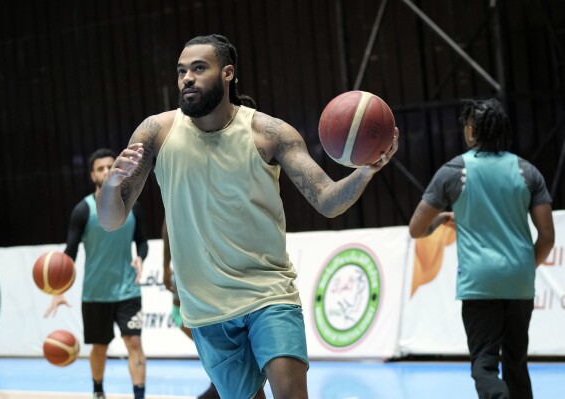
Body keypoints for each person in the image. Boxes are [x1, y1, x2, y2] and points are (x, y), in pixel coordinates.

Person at [96, 34, 398, 399]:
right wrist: (112, 186)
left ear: (228, 73)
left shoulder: (270, 133)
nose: (186, 78)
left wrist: (366, 171)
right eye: (181, 71)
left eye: (198, 68)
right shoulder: (156, 132)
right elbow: (111, 221)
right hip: (206, 309)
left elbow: (327, 200)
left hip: (268, 294)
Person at [408, 98, 555, 399]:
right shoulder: (527, 172)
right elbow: (548, 236)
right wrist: (525, 266)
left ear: (472, 130)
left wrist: (444, 218)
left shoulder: (454, 171)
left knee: (484, 367)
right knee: (517, 363)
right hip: (519, 281)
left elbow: (416, 228)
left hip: (480, 284)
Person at [45, 148, 149, 399]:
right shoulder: (83, 210)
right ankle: (98, 392)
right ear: (92, 175)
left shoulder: (133, 207)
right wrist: (58, 290)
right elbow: (69, 254)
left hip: (127, 290)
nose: (106, 171)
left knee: (134, 343)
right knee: (99, 347)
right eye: (101, 168)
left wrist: (140, 257)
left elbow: (142, 242)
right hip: (96, 293)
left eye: (111, 166)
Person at [162, 219, 220, 399]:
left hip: (203, 263)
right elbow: (167, 223)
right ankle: (218, 381)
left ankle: (219, 382)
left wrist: (165, 264)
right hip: (195, 263)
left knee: (216, 330)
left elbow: (167, 223)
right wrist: (165, 264)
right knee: (211, 332)